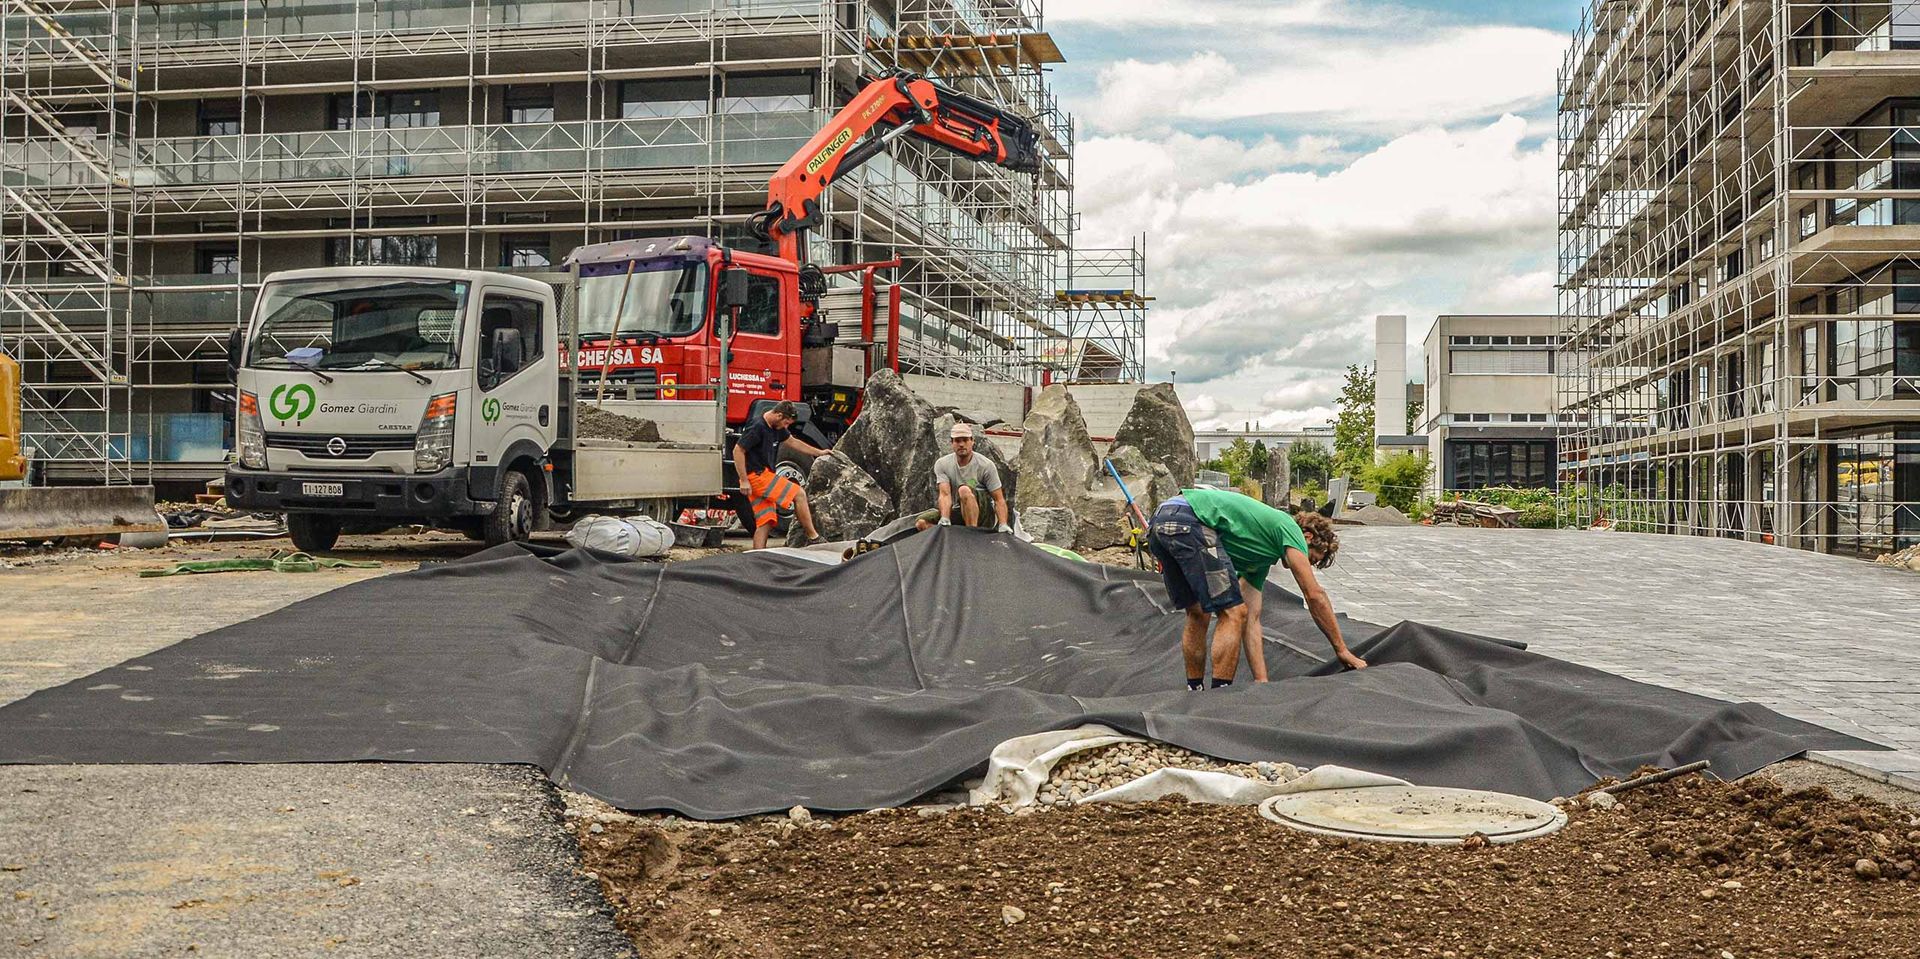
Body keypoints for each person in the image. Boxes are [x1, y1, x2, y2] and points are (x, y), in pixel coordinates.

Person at [1145, 487, 1366, 690]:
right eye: (1311, 558)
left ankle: (1194, 690)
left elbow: (1252, 619)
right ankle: (1221, 695)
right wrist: (1342, 650)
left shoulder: (1258, 561)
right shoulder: (1291, 529)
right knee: (1232, 613)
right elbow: (1314, 595)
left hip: (1160, 521)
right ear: (1308, 537)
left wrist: (1262, 681)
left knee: (1198, 612)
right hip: (1191, 520)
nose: (1306, 564)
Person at [734, 401, 826, 550]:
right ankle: (813, 537)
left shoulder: (777, 427)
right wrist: (743, 480)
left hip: (762, 476)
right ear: (779, 415)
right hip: (758, 476)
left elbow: (794, 443)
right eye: (786, 423)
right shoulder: (757, 426)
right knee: (799, 494)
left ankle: (758, 554)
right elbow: (738, 450)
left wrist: (819, 452)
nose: (786, 427)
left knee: (766, 521)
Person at [915, 422, 1011, 533]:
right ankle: (951, 537)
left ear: (972, 441)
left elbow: (999, 499)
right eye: (957, 441)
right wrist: (945, 518)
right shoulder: (943, 464)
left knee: (964, 490)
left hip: (983, 514)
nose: (961, 444)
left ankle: (971, 533)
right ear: (952, 443)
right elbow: (945, 494)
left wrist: (1003, 524)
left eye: (965, 440)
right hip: (959, 509)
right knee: (922, 522)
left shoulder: (986, 465)